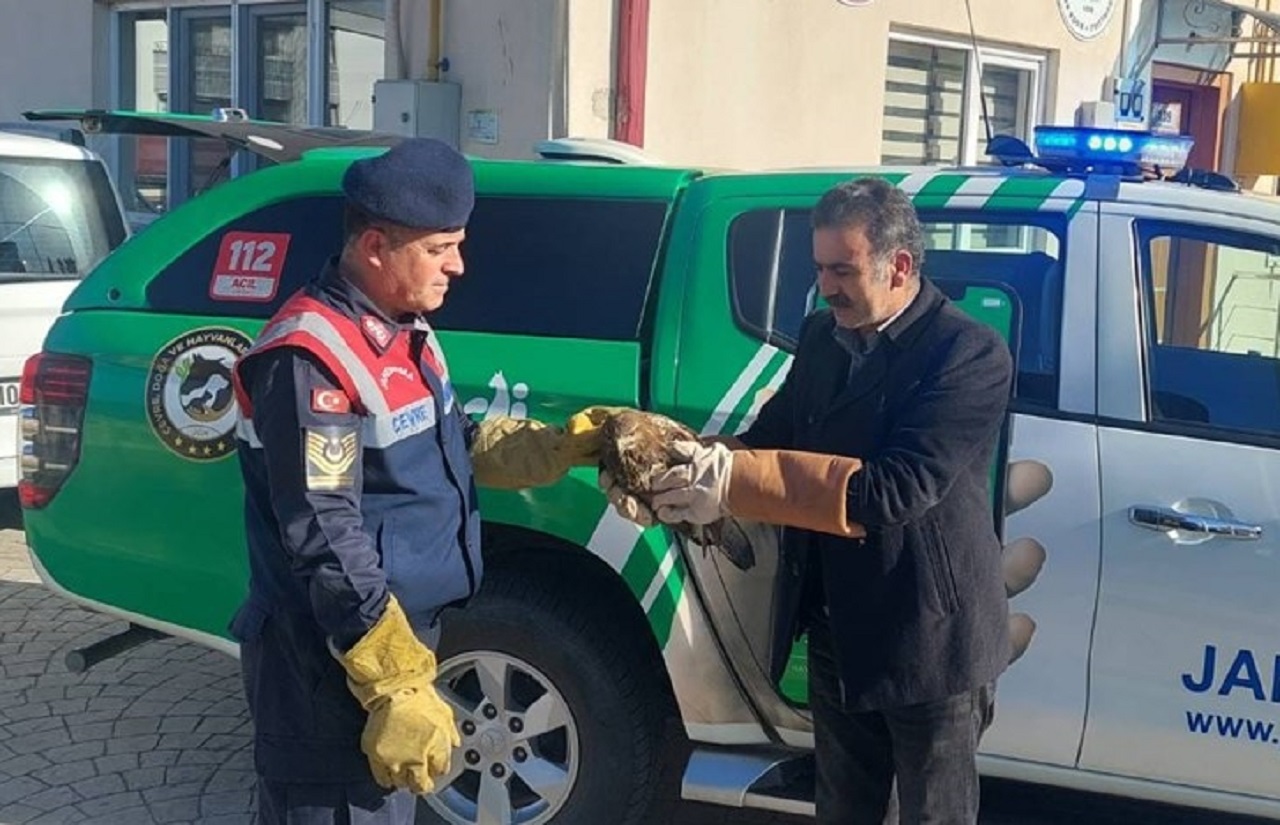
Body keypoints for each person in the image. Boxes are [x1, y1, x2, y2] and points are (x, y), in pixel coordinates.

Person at [603, 177, 1014, 824]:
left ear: (900, 265)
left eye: (843, 269)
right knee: (845, 810)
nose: (826, 285)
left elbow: (894, 489)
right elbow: (770, 438)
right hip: (837, 623)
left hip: (928, 634)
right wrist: (677, 464)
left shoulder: (966, 353)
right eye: (820, 267)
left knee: (935, 815)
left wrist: (730, 482)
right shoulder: (825, 336)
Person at [228, 137, 609, 824]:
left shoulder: (402, 328)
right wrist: (395, 682)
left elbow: (448, 440)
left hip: (393, 645)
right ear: (375, 246)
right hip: (331, 660)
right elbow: (324, 531)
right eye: (441, 248)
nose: (459, 265)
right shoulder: (312, 357)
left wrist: (553, 448)